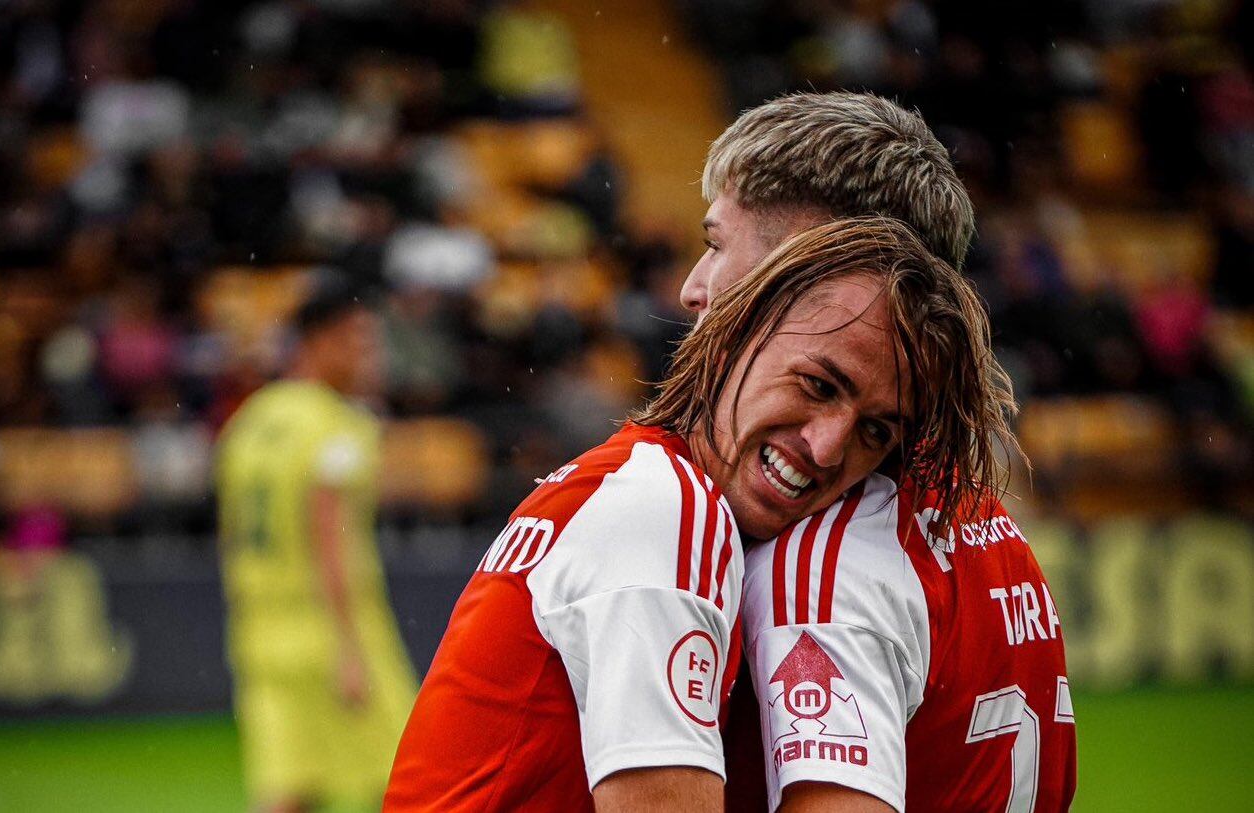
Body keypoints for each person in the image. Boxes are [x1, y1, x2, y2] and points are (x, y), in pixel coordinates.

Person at [384, 215, 1012, 812]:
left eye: (876, 431)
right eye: (818, 386)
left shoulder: (636, 478)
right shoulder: (670, 516)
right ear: (734, 333)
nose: (827, 448)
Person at [677, 91, 1076, 811]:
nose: (691, 289)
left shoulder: (824, 563)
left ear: (815, 268)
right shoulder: (981, 524)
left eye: (716, 245)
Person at [215, 282, 417, 813]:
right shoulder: (337, 429)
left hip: (260, 631)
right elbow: (330, 538)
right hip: (333, 627)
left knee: (288, 790)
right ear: (320, 342)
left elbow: (232, 534)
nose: (369, 358)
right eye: (358, 343)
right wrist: (349, 649)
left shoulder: (249, 422)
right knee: (406, 775)